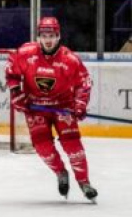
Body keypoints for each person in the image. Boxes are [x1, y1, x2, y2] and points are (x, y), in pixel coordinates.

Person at [5, 17, 97, 202]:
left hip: (63, 107)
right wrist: (16, 93)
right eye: (44, 35)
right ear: (38, 36)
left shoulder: (69, 59)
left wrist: (80, 104)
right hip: (36, 108)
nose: (48, 40)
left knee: (73, 147)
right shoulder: (25, 53)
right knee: (43, 148)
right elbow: (12, 72)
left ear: (58, 36)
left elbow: (84, 83)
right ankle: (61, 172)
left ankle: (84, 183)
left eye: (52, 36)